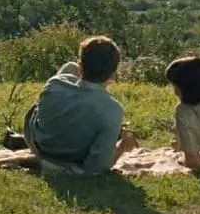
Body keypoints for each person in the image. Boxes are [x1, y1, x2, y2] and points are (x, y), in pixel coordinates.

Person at [22, 36, 137, 173]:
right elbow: (97, 167)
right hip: (73, 158)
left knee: (69, 67)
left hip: (38, 143)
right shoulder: (113, 109)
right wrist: (123, 146)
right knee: (104, 114)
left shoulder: (55, 83)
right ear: (113, 75)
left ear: (81, 68)